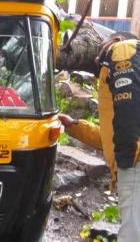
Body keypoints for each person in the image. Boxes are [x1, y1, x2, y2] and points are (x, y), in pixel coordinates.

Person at [59, 32, 140, 242]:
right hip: (131, 157)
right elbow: (110, 136)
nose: (96, 61)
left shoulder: (122, 50)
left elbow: (127, 114)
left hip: (134, 165)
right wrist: (74, 127)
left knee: (132, 235)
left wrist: (124, 165)